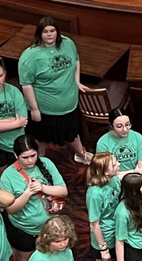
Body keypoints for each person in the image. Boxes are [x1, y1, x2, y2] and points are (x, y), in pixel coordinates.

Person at [0, 135, 68, 261]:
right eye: (25, 157)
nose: (30, 160)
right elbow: (11, 209)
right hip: (23, 229)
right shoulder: (8, 176)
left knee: (48, 259)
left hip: (48, 227)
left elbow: (63, 191)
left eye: (33, 156)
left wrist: (43, 188)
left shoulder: (46, 164)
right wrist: (27, 193)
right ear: (16, 155)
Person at [19, 17, 92, 163]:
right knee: (41, 140)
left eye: (52, 31)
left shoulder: (67, 43)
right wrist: (34, 109)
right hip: (46, 110)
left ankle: (81, 154)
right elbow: (26, 84)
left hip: (70, 104)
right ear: (39, 34)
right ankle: (40, 163)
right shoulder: (30, 56)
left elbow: (76, 59)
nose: (49, 34)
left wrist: (76, 80)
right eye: (45, 31)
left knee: (72, 132)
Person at [86, 152, 124, 261]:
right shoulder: (94, 193)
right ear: (104, 171)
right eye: (114, 164)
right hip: (103, 238)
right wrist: (103, 248)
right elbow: (95, 223)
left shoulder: (114, 180)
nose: (118, 165)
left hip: (117, 233)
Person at [95, 107, 142, 179]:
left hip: (136, 180)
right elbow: (106, 174)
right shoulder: (102, 143)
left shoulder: (138, 137)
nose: (125, 129)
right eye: (119, 126)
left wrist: (136, 173)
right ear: (111, 126)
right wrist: (135, 172)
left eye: (127, 125)